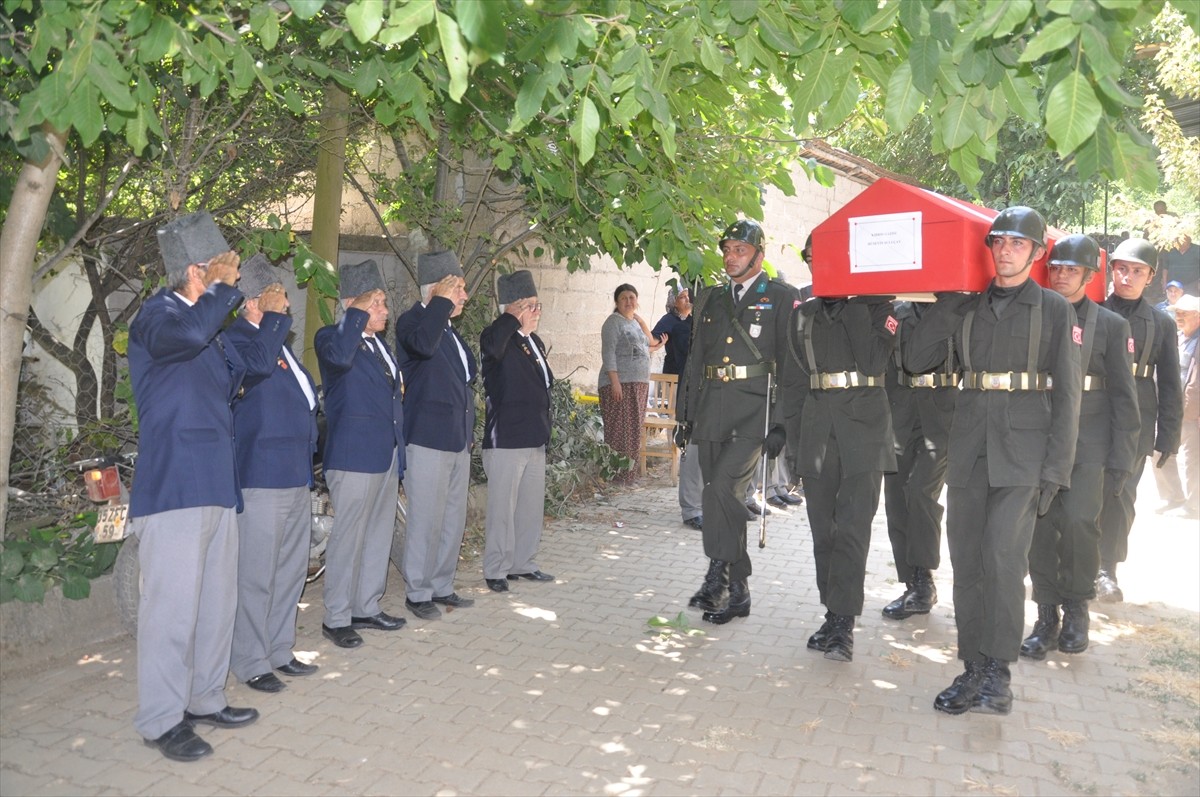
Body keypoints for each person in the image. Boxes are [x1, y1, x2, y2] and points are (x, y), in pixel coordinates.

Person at [906, 206, 1081, 716]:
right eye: (998, 241)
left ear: (1036, 252)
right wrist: (943, 301)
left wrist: (1057, 469)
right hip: (969, 451)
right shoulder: (965, 306)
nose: (1006, 250)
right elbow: (916, 360)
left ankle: (998, 671)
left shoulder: (1053, 309)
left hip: (1025, 455)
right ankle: (972, 666)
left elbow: (1068, 395)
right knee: (967, 562)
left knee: (1003, 560)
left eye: (1017, 243)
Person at [128, 211, 256, 762]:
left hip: (215, 481)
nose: (231, 280)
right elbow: (189, 333)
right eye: (220, 270)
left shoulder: (212, 321)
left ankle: (205, 698)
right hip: (176, 482)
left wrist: (257, 315)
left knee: (213, 603)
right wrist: (222, 295)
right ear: (192, 270)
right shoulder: (156, 317)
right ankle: (161, 718)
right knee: (171, 609)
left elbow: (246, 369)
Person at [1021, 235, 1138, 661]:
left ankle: (1076, 610)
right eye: (1056, 268)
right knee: (1039, 528)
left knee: (1077, 526)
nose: (1062, 276)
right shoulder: (1035, 316)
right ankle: (1046, 615)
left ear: (1090, 276)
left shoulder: (1110, 325)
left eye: (1072, 270)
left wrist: (1122, 458)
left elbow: (1126, 396)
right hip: (1038, 436)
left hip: (1089, 442)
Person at [676, 219, 798, 625]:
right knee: (723, 499)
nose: (730, 257)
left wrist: (783, 423)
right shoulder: (710, 298)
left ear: (758, 255)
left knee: (722, 489)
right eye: (727, 249)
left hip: (754, 411)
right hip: (713, 409)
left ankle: (718, 575)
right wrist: (686, 414)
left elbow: (792, 363)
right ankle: (740, 591)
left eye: (740, 250)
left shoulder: (780, 297)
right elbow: (695, 361)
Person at [784, 288, 898, 662]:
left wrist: (857, 305)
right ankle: (832, 611)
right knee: (823, 531)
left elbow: (872, 362)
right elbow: (795, 382)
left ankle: (843, 623)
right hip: (818, 430)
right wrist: (793, 444)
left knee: (852, 529)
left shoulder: (880, 308)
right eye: (815, 261)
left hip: (864, 432)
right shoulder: (803, 314)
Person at [226, 255, 321, 693]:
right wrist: (271, 322)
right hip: (261, 477)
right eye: (279, 294)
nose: (287, 301)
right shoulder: (238, 340)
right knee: (257, 575)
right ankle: (250, 659)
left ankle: (280, 649)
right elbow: (256, 370)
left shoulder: (276, 343)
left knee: (289, 570)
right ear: (253, 302)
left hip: (295, 474)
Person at [315, 259, 407, 649]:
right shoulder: (330, 338)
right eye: (376, 303)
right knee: (349, 538)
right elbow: (338, 357)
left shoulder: (379, 345)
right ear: (352, 305)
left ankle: (366, 606)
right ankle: (336, 617)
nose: (385, 310)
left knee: (377, 534)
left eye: (384, 303)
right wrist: (356, 312)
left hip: (383, 454)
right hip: (352, 457)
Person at [1096, 239, 1182, 602]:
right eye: (1121, 268)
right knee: (1082, 490)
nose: (1127, 277)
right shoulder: (1092, 310)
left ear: (1150, 278)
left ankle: (1106, 569)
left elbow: (1170, 383)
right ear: (1111, 269)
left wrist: (1169, 437)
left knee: (1121, 495)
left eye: (1137, 271)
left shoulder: (1161, 323)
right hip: (1093, 411)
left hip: (1137, 418)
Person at [395, 251, 478, 619]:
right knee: (425, 519)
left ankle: (442, 585)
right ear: (437, 290)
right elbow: (423, 348)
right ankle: (418, 592)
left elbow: (466, 379)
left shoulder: (449, 331)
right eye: (457, 288)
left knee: (451, 519)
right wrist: (441, 304)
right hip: (427, 439)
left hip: (456, 439)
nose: (464, 295)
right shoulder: (412, 323)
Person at [479, 270, 556, 593]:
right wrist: (510, 318)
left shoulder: (532, 341)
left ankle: (522, 563)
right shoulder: (497, 338)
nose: (538, 313)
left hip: (534, 436)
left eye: (539, 306)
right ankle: (496, 569)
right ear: (515, 308)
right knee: (502, 510)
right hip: (506, 438)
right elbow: (494, 348)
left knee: (529, 507)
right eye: (532, 306)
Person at [881, 300, 957, 623]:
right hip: (901, 410)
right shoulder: (897, 313)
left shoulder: (956, 309)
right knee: (897, 497)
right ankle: (911, 581)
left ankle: (924, 579)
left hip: (942, 412)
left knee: (921, 491)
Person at [598, 284, 661, 482]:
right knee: (619, 430)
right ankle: (615, 475)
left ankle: (628, 476)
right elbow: (608, 353)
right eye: (624, 298)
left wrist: (655, 345)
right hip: (620, 383)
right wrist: (615, 382)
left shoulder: (634, 323)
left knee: (633, 431)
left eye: (632, 297)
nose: (628, 302)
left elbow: (643, 347)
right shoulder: (613, 323)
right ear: (616, 302)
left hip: (638, 384)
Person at [1168, 294, 1200, 518]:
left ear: (1197, 317)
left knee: (1192, 459)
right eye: (1176, 313)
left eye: (1184, 314)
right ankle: (1173, 496)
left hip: (1193, 412)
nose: (1178, 317)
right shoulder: (1178, 337)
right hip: (1171, 407)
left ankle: (1195, 504)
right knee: (1159, 452)